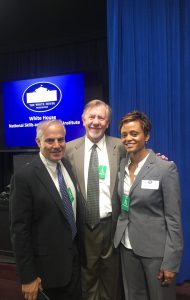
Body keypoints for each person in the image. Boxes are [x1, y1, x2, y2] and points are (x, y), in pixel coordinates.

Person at [9, 120, 85, 300]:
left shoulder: (67, 166)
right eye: (50, 141)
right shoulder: (24, 178)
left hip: (73, 265)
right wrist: (28, 277)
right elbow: (20, 232)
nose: (57, 146)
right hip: (46, 273)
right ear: (38, 142)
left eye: (61, 140)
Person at [114, 111, 183, 300]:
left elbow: (174, 219)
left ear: (147, 136)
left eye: (134, 134)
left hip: (156, 252)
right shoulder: (122, 165)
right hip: (126, 246)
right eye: (124, 135)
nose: (128, 138)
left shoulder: (165, 168)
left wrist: (171, 262)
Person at [65, 99, 126, 300]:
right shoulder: (68, 150)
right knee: (87, 277)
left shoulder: (121, 146)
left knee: (111, 277)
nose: (96, 122)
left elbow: (140, 163)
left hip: (112, 224)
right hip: (84, 226)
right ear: (83, 120)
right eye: (92, 117)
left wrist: (157, 158)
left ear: (107, 123)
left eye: (101, 117)